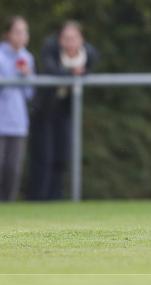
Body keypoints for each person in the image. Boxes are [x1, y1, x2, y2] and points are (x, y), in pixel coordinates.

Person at [28, 20, 99, 201]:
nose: (70, 42)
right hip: (44, 110)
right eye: (66, 38)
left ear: (81, 39)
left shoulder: (89, 54)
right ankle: (38, 199)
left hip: (65, 111)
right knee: (44, 157)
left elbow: (88, 70)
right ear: (60, 40)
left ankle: (55, 198)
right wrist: (73, 73)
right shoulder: (50, 49)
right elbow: (51, 70)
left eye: (74, 38)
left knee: (62, 155)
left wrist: (80, 73)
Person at [0, 16, 35, 202]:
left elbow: (30, 94)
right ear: (8, 34)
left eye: (25, 32)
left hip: (18, 122)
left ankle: (8, 206)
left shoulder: (27, 58)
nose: (22, 36)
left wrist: (26, 76)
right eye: (18, 32)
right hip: (1, 119)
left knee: (12, 170)